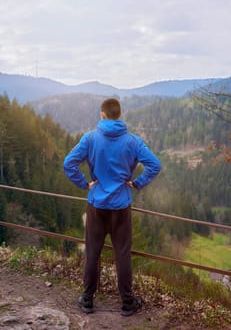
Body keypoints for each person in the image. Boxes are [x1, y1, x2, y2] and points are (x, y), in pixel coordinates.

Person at [64, 98, 162, 316]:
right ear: (119, 114)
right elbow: (155, 165)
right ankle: (127, 303)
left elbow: (68, 163)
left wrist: (84, 183)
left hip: (97, 205)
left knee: (92, 253)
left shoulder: (90, 139)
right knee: (123, 255)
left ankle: (87, 300)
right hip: (121, 207)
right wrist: (137, 183)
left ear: (102, 115)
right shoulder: (133, 141)